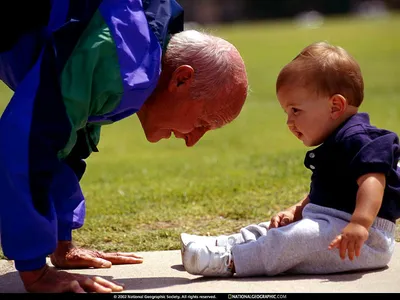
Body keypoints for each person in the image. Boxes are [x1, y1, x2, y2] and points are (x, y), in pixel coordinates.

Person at [0, 0, 249, 293]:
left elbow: (67, 140)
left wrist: (60, 242)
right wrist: (36, 273)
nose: (193, 140)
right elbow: (27, 142)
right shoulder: (120, 54)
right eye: (203, 123)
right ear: (182, 79)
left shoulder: (136, 52)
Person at [180, 41, 400, 278]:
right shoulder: (337, 141)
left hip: (363, 240)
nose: (289, 122)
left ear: (335, 106)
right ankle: (225, 244)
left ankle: (231, 260)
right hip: (330, 224)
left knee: (297, 238)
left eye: (295, 110)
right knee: (279, 229)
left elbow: (373, 182)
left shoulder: (360, 138)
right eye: (287, 113)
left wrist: (359, 223)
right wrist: (296, 210)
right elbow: (327, 191)